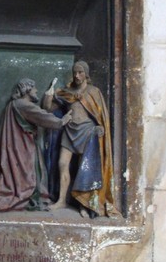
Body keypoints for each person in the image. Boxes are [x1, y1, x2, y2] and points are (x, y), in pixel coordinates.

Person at [44, 60, 115, 217]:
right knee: (62, 164)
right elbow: (48, 108)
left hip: (87, 132)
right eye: (75, 72)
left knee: (84, 169)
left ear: (86, 74)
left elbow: (100, 115)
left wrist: (99, 127)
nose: (77, 75)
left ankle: (84, 204)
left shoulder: (93, 91)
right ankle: (62, 200)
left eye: (80, 72)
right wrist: (49, 95)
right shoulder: (67, 92)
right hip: (69, 131)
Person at [0, 80, 64, 213]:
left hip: (16, 145)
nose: (36, 91)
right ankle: (27, 195)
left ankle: (31, 194)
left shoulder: (14, 104)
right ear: (27, 90)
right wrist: (61, 121)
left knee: (23, 173)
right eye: (34, 88)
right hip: (22, 146)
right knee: (26, 175)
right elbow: (41, 116)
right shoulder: (23, 104)